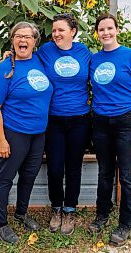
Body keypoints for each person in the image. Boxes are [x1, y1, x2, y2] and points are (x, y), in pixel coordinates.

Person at [87, 13, 131, 246]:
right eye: (101, 29)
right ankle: (102, 215)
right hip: (101, 122)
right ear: (97, 33)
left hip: (127, 121)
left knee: (126, 174)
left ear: (117, 30)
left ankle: (126, 223)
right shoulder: (93, 59)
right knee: (104, 172)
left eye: (109, 28)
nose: (105, 33)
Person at [0, 21, 53, 244]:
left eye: (28, 37)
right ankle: (1, 223)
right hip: (14, 132)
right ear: (12, 40)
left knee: (29, 175)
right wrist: (1, 140)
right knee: (5, 178)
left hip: (38, 133)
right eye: (18, 36)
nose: (23, 40)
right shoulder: (5, 68)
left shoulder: (40, 61)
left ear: (35, 42)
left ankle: (21, 213)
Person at [36, 13, 92, 235]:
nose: (56, 34)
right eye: (54, 30)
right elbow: (27, 60)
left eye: (61, 30)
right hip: (54, 119)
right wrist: (9, 55)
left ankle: (70, 210)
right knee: (56, 168)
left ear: (73, 31)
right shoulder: (46, 51)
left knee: (74, 167)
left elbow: (99, 74)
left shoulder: (84, 52)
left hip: (80, 119)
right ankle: (56, 208)